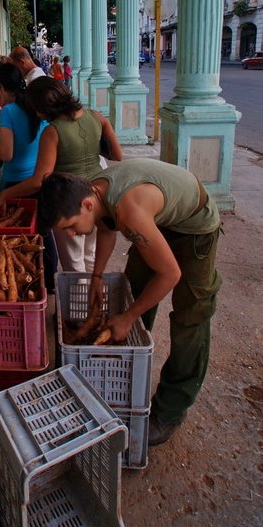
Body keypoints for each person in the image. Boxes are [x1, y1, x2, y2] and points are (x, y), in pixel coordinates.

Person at [36, 159, 222, 447]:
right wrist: (97, 275)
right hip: (160, 220)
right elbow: (107, 226)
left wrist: (129, 317)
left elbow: (170, 275)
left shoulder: (129, 211)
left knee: (190, 317)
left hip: (194, 228)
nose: (71, 235)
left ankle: (169, 412)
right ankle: (127, 368)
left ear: (86, 205)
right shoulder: (95, 192)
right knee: (132, 288)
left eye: (70, 227)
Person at [0, 77, 122, 274]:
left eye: (36, 108)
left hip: (69, 201)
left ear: (44, 107)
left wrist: (5, 194)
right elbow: (117, 155)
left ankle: (81, 301)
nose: (36, 114)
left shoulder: (52, 132)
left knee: (73, 262)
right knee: (91, 255)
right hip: (98, 197)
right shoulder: (96, 116)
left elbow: (39, 181)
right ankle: (96, 299)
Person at [0, 62, 47, 189]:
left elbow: (6, 155)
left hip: (15, 182)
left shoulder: (8, 111)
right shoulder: (34, 104)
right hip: (37, 178)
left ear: (1, 87)